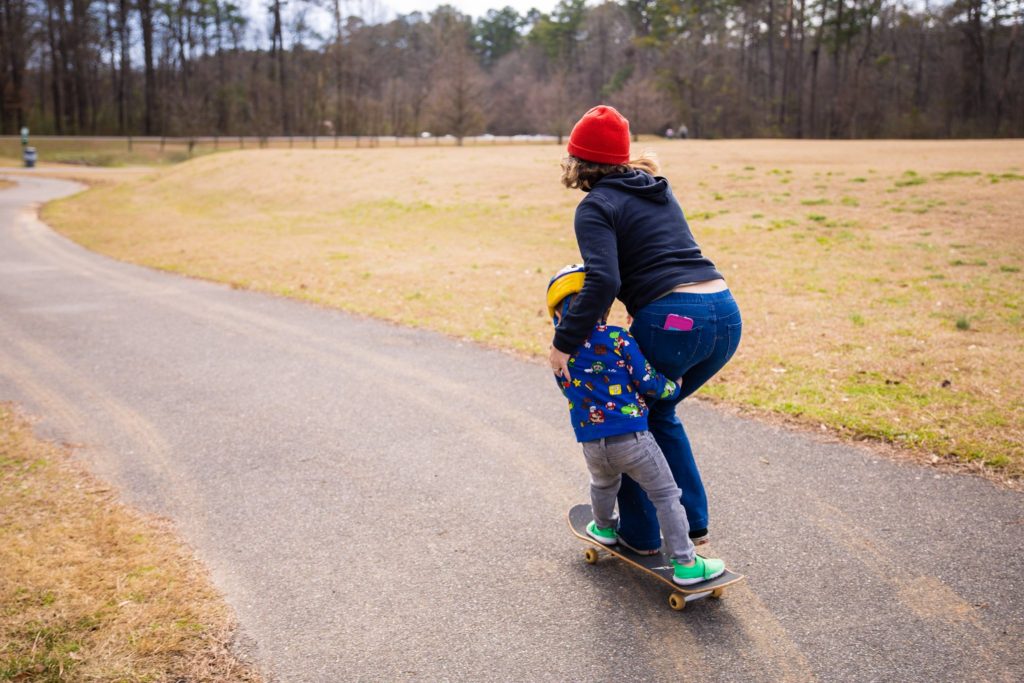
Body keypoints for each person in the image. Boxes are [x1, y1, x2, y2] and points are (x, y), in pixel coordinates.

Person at [549, 105, 741, 555]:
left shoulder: (595, 205)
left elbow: (604, 280)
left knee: (630, 417)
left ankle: (638, 533)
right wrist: (649, 308)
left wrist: (565, 342)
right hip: (724, 314)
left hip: (676, 318)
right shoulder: (657, 189)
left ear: (577, 161)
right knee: (660, 411)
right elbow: (659, 257)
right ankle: (692, 524)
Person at [547, 265, 726, 585]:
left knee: (602, 485)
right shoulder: (618, 338)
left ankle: (603, 528)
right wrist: (673, 387)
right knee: (666, 495)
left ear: (557, 316)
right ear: (604, 306)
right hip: (633, 441)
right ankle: (686, 563)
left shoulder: (561, 354)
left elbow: (567, 390)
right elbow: (647, 381)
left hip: (592, 444)